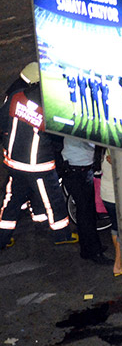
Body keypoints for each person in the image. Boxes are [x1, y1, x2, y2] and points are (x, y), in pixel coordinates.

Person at [0, 63, 78, 250]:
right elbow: (59, 135)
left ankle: (2, 238)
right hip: (39, 165)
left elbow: (3, 121)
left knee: (11, 200)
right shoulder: (49, 108)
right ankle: (62, 234)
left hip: (14, 161)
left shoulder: (16, 97)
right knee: (53, 200)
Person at [61, 137, 110, 266]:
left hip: (79, 169)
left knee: (86, 212)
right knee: (86, 214)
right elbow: (90, 143)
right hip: (77, 171)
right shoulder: (78, 126)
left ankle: (87, 249)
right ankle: (94, 252)